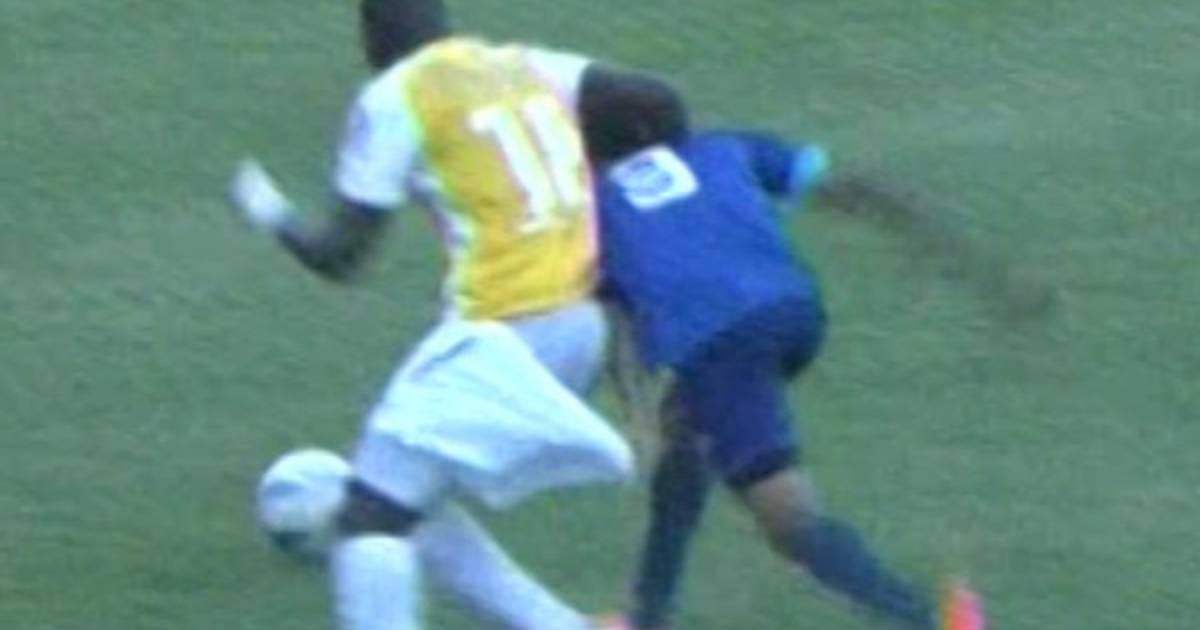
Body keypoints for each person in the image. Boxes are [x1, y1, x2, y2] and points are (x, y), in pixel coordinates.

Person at [226, 0, 688, 628]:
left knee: (371, 514)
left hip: (502, 332)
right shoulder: (527, 66)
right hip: (582, 328)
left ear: (371, 36)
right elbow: (656, 104)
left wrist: (270, 212)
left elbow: (342, 257)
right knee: (406, 491)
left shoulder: (399, 94)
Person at [588, 130, 986, 630]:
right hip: (793, 312)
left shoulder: (592, 204)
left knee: (787, 520)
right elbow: (833, 183)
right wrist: (919, 228)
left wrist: (632, 411)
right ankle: (647, 616)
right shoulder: (718, 145)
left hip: (719, 342)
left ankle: (930, 621)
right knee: (685, 440)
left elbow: (618, 324)